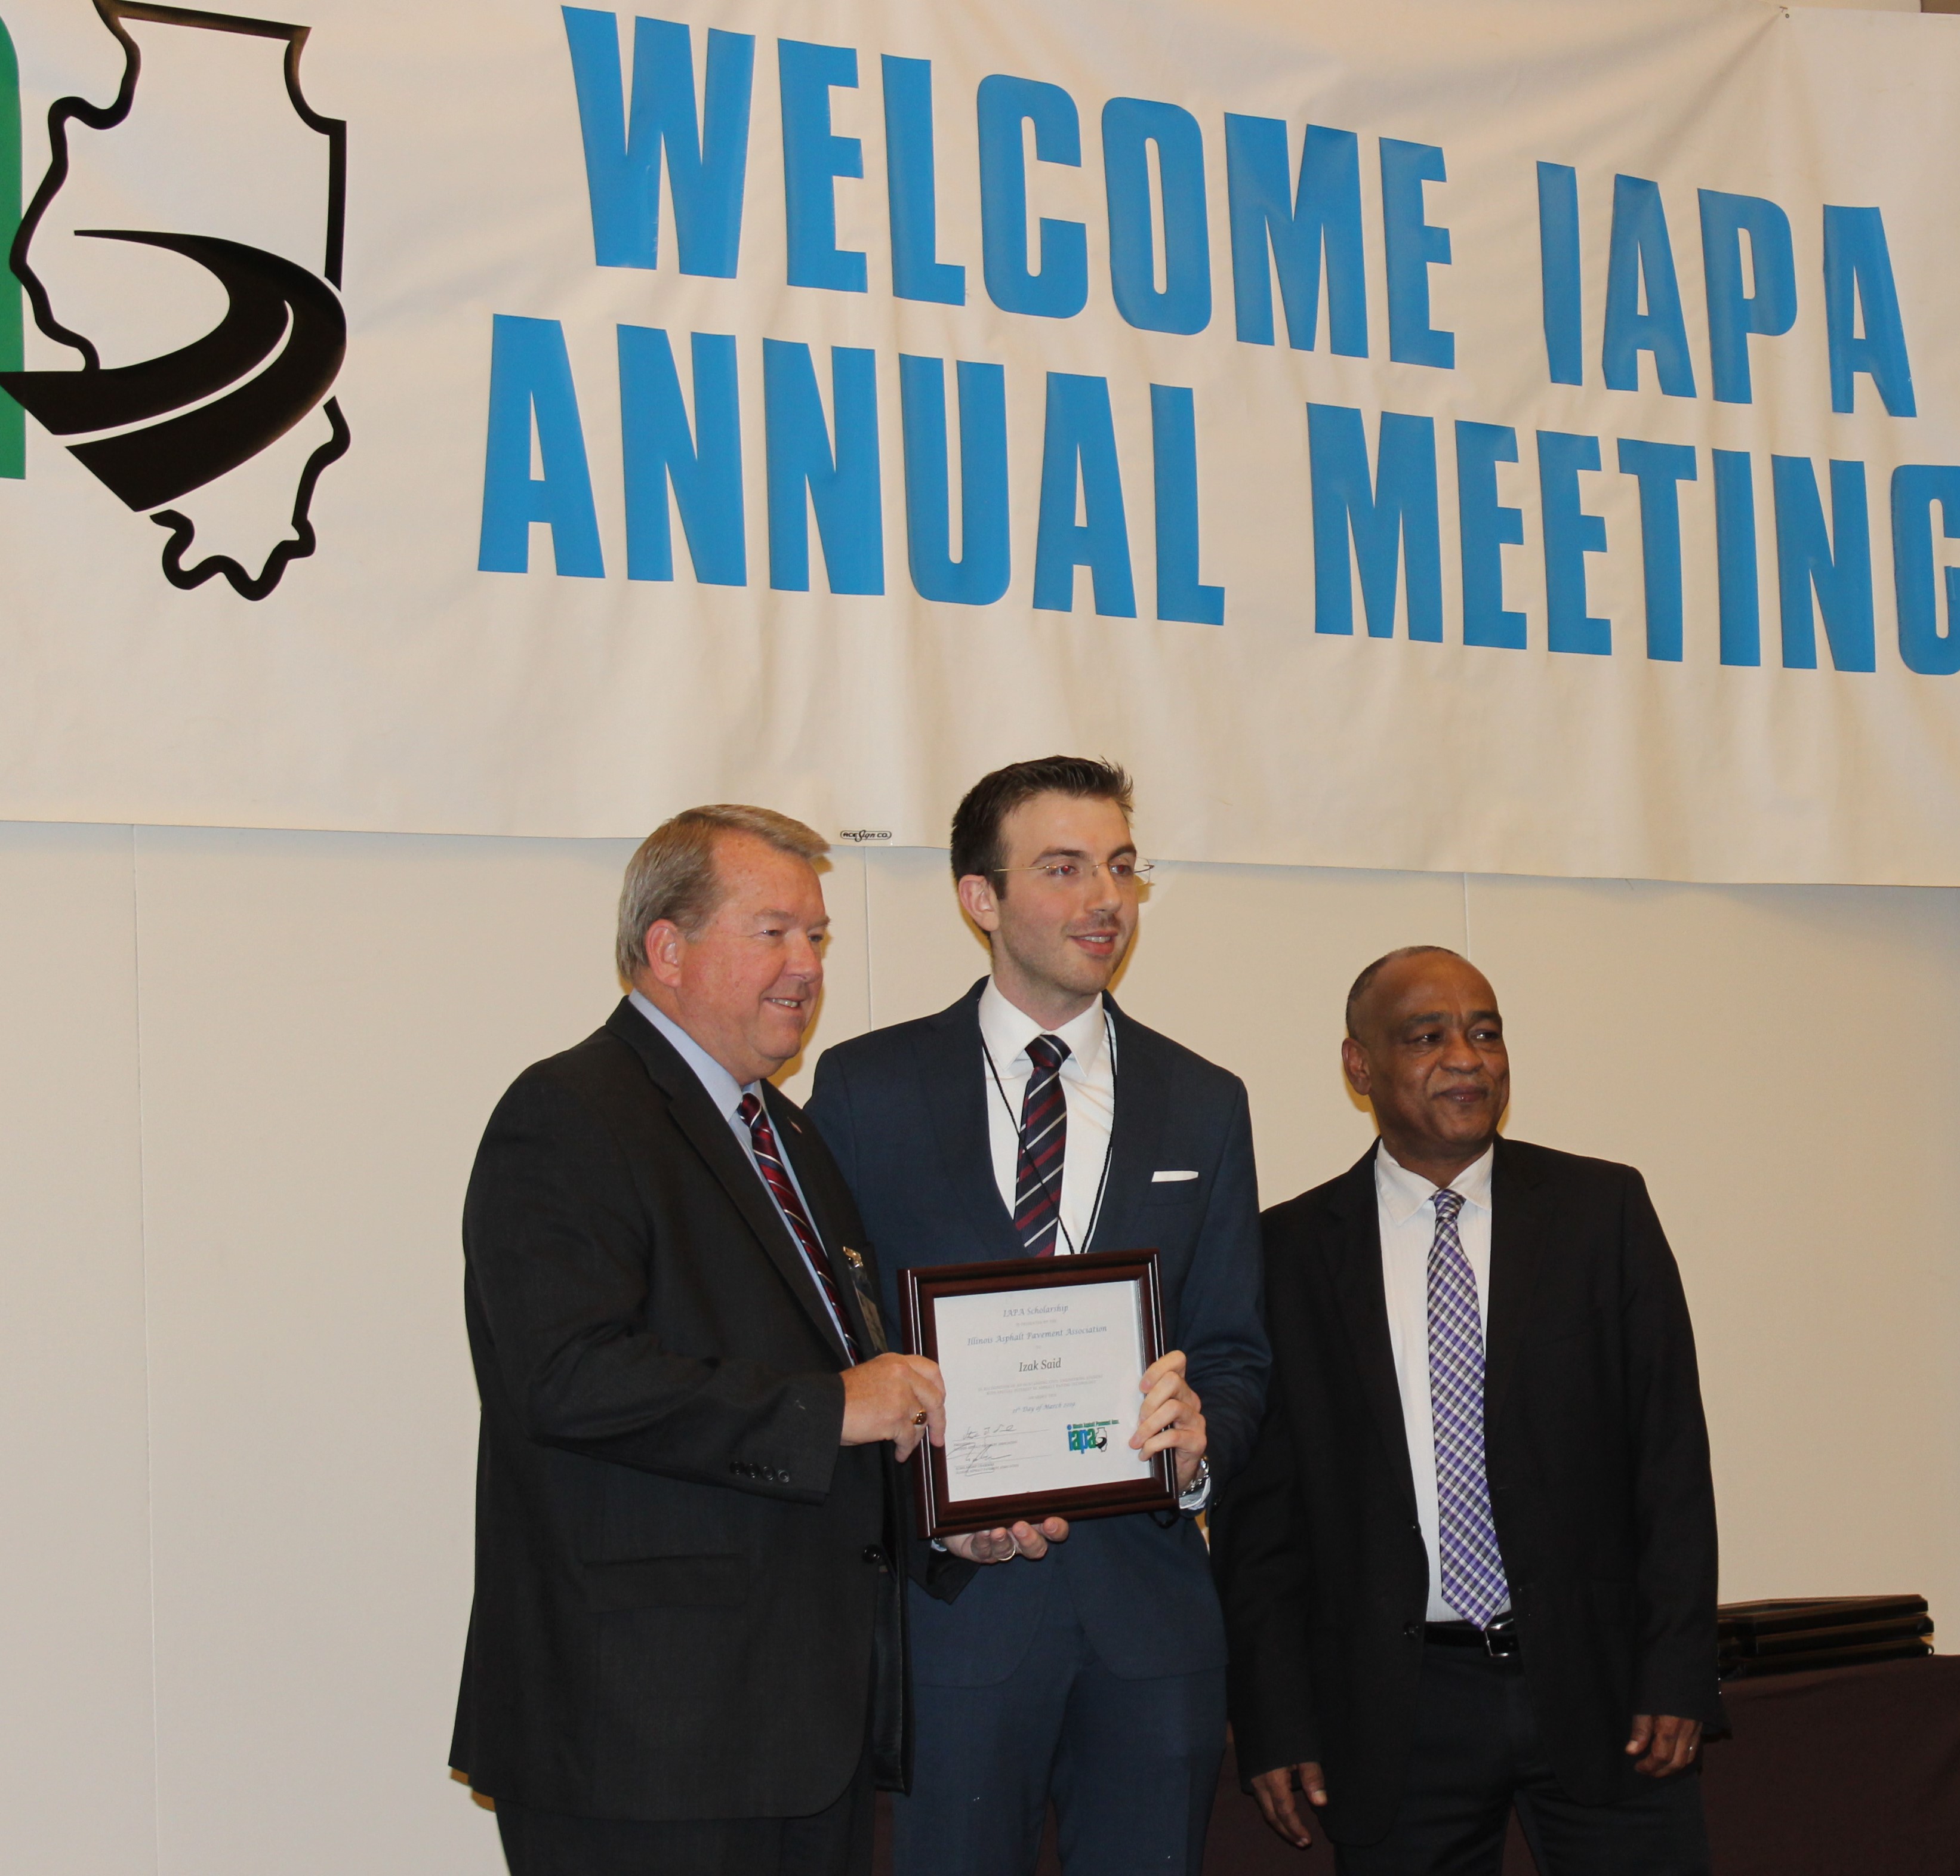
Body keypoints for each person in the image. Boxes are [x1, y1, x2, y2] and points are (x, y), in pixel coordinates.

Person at [449, 804, 969, 1876]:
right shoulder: (569, 1112)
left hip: (797, 1732)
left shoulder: (791, 1139)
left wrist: (949, 1512)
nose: (805, 966)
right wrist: (840, 1407)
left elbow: (836, 1398)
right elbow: (568, 1376)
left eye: (817, 937)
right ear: (666, 948)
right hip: (641, 1737)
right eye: (772, 931)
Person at [806, 755, 1271, 1876]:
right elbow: (829, 1350)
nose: (1104, 898)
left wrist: (1202, 1445)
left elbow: (1236, 1350)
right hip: (957, 1613)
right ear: (981, 898)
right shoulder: (866, 1090)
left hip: (1151, 1619)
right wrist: (926, 1500)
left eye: (1119, 866)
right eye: (1062, 868)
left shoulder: (1204, 1101)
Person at [1213, 945, 1722, 1875]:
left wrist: (1678, 1669)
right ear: (1357, 1066)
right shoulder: (1284, 1253)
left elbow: (1669, 1459)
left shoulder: (1599, 1212)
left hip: (1603, 1692)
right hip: (1397, 1708)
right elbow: (1260, 1522)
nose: (1466, 1058)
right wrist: (1274, 1717)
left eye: (1485, 1032)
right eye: (1427, 1036)